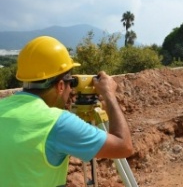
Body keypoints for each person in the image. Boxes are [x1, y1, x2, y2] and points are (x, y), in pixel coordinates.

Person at [0, 36, 133, 186]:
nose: (71, 90)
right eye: (71, 83)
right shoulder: (57, 123)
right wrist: (109, 95)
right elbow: (124, 146)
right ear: (61, 86)